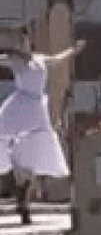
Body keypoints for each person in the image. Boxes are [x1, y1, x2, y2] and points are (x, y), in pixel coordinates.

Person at [0, 34, 86, 224]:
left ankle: (23, 197)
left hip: (36, 105)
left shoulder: (40, 59)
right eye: (19, 43)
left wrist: (74, 50)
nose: (22, 46)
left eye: (24, 42)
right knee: (10, 141)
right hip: (20, 104)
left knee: (36, 145)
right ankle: (20, 188)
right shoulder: (15, 60)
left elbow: (57, 59)